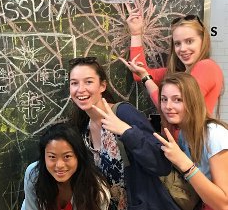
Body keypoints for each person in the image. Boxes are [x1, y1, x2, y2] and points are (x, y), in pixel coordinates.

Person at [68, 56, 179, 210]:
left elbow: (162, 164)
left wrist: (126, 131)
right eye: (74, 83)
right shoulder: (83, 129)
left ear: (102, 86)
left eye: (88, 82)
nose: (80, 89)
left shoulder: (123, 113)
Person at [122, 6, 223, 116]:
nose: (183, 49)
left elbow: (182, 106)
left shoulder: (207, 67)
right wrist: (136, 33)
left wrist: (145, 77)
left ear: (203, 41)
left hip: (191, 133)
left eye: (189, 41)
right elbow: (139, 73)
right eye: (177, 43)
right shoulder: (177, 73)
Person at [154, 72, 228, 210]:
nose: (168, 106)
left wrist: (184, 164)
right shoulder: (184, 133)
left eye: (177, 99)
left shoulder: (215, 134)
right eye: (164, 99)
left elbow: (224, 204)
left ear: (192, 101)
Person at [21, 122, 110, 210]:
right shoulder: (33, 174)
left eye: (67, 156)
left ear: (79, 156)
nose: (59, 165)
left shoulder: (97, 190)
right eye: (52, 157)